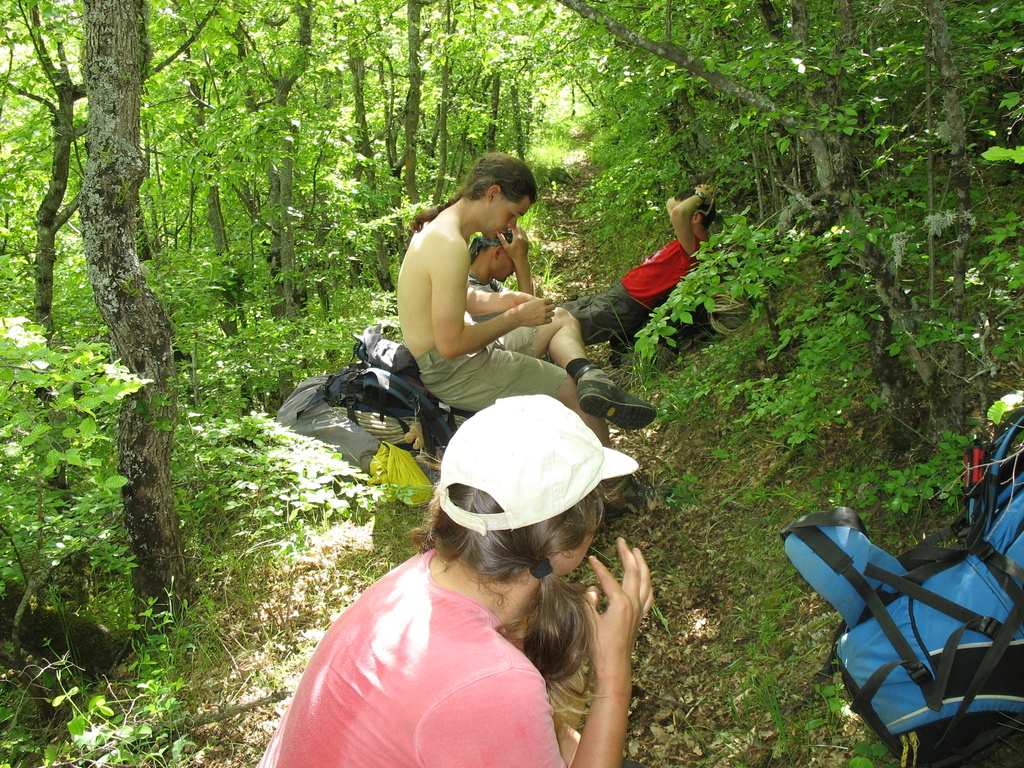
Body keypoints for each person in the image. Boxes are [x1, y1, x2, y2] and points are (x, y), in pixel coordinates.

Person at [256, 394, 656, 768]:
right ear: (566, 540)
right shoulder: (494, 682)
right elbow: (492, 696)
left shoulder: (415, 581)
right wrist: (614, 670)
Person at [397, 152, 656, 444]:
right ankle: (613, 487)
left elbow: (457, 297)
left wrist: (508, 302)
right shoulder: (449, 244)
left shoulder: (444, 231)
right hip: (452, 371)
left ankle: (589, 376)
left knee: (559, 316)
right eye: (513, 214)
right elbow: (450, 345)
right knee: (570, 393)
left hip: (467, 356)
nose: (510, 225)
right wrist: (516, 318)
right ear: (493, 194)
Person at [558, 185, 717, 364]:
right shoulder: (685, 242)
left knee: (560, 328)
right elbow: (671, 204)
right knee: (554, 313)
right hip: (617, 296)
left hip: (626, 305)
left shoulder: (698, 248)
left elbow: (678, 213)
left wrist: (701, 196)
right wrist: (701, 198)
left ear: (695, 218)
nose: (673, 219)